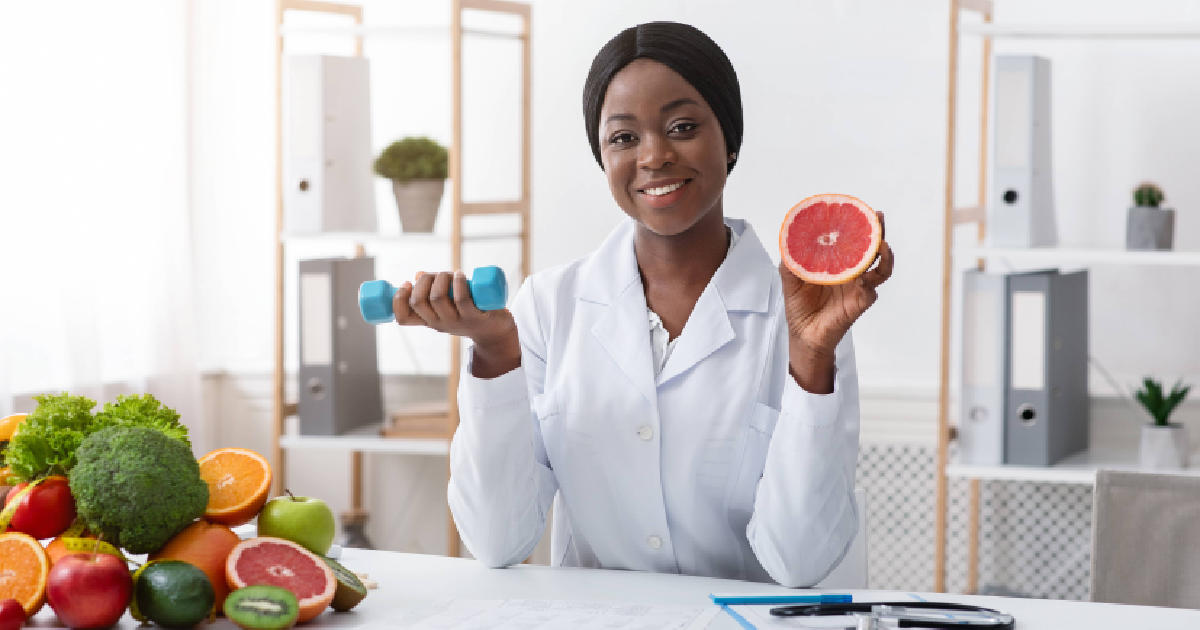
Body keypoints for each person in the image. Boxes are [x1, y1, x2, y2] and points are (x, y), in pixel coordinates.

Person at [390, 21, 894, 587]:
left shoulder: (802, 319)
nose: (653, 156)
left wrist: (809, 361)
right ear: (602, 158)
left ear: (729, 139)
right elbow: (496, 539)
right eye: (624, 138)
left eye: (682, 126)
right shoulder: (548, 306)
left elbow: (801, 562)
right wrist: (493, 354)